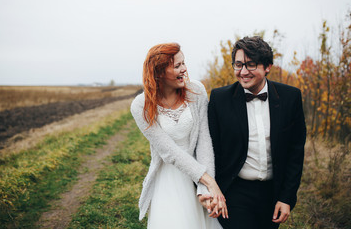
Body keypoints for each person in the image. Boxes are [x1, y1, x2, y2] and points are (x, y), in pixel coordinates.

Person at [204, 36, 306, 229]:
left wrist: (286, 197)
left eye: (250, 65)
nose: (243, 72)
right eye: (238, 64)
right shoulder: (220, 99)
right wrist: (211, 191)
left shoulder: (290, 97)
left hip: (273, 194)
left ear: (267, 67)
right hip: (234, 192)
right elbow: (209, 148)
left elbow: (295, 151)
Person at [130, 43, 226, 229]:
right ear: (159, 72)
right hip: (169, 179)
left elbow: (204, 141)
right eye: (177, 66)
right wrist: (209, 180)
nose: (184, 69)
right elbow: (169, 152)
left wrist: (204, 189)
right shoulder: (140, 105)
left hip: (201, 170)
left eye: (184, 63)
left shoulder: (196, 91)